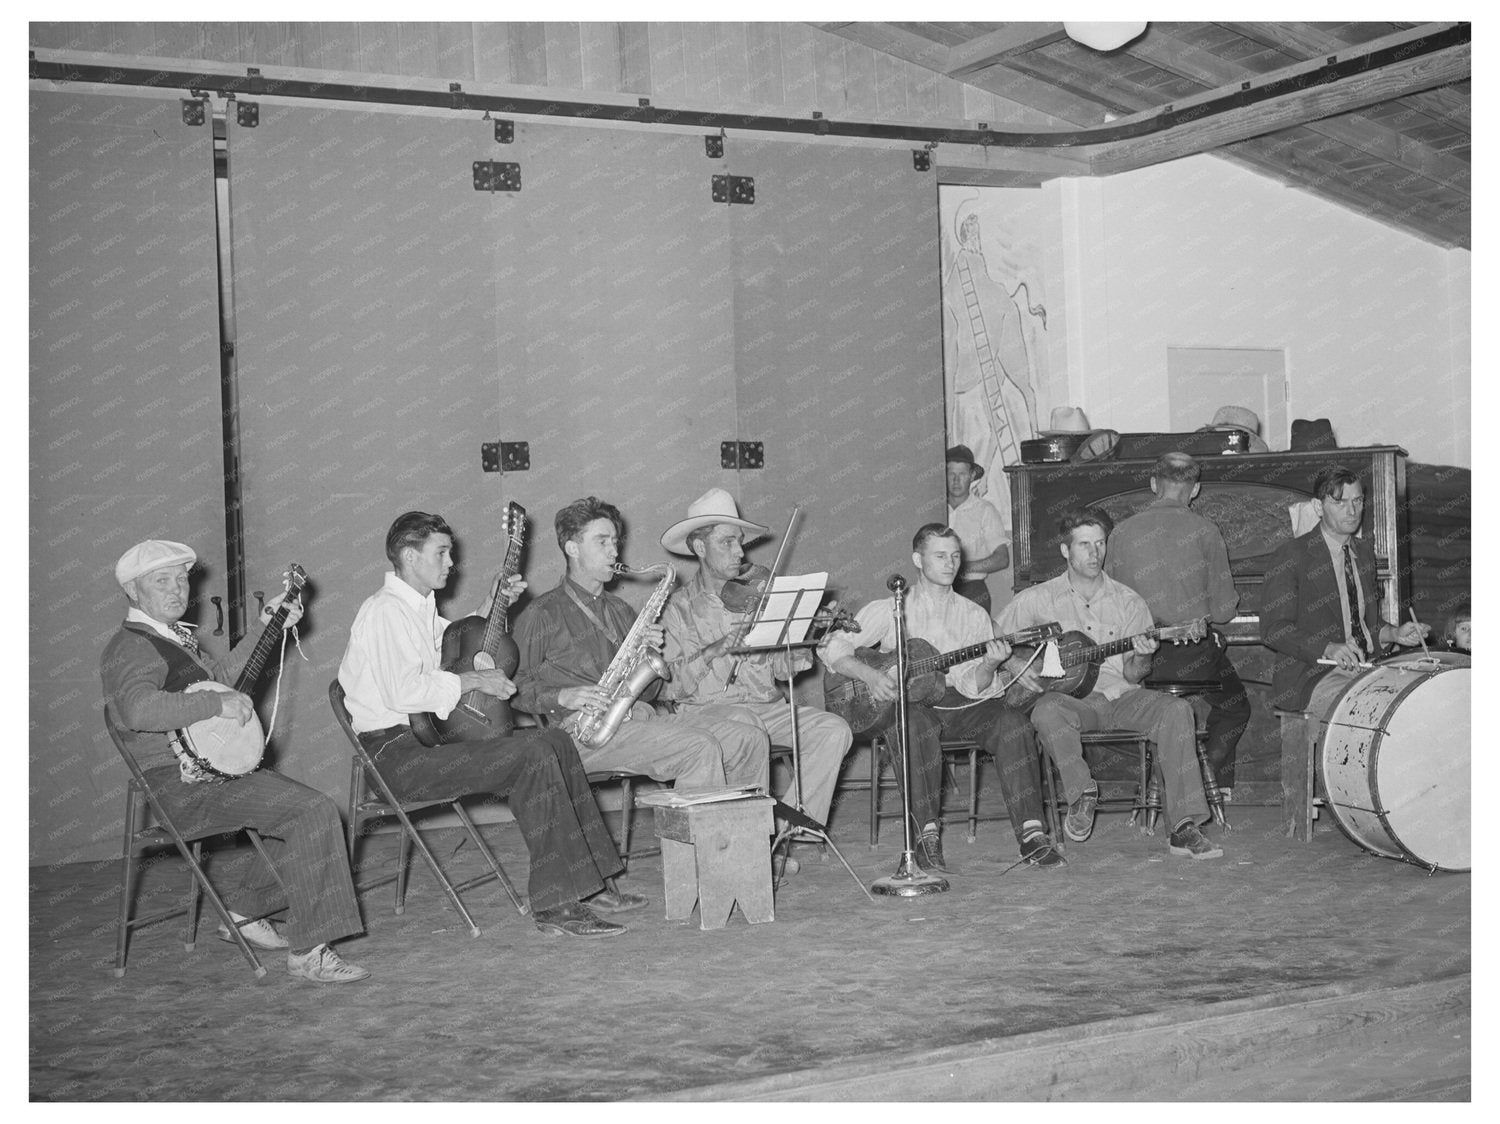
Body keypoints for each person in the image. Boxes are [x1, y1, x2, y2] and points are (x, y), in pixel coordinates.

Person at [338, 511, 646, 940]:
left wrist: (492, 602)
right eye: (441, 553)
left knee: (555, 740)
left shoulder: (417, 608)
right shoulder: (385, 612)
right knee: (534, 753)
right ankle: (556, 903)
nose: (451, 563)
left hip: (428, 742)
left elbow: (459, 642)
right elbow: (403, 693)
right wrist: (474, 681)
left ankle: (591, 883)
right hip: (397, 757)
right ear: (410, 556)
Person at [101, 539, 371, 983]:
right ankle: (309, 952)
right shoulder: (130, 646)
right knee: (313, 811)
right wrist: (214, 705)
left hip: (210, 777)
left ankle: (246, 913)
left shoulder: (174, 639)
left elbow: (224, 682)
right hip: (179, 786)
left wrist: (267, 627)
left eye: (181, 579)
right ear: (133, 591)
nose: (177, 589)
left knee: (303, 808)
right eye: (161, 581)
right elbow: (136, 709)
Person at [823, 524, 1063, 871]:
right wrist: (870, 675)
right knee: (914, 725)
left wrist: (990, 664)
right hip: (910, 705)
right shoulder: (892, 608)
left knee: (1014, 724)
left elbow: (972, 685)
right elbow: (833, 646)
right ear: (917, 560)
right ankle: (926, 836)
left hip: (960, 703)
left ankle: (1032, 833)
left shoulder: (973, 614)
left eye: (955, 556)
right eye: (940, 556)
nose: (950, 563)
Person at [996, 510, 1225, 860]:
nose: (1095, 553)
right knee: (1046, 709)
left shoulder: (1129, 601)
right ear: (1065, 550)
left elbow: (1134, 674)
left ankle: (1184, 826)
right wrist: (1012, 662)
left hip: (1121, 697)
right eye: (1084, 545)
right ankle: (1082, 794)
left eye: (1100, 544)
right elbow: (993, 635)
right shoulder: (1037, 599)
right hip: (1073, 703)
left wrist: (1144, 655)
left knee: (1178, 710)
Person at [512, 497, 769, 795]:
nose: (614, 551)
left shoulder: (621, 610)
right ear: (572, 548)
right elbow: (514, 688)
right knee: (699, 747)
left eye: (615, 542)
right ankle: (696, 827)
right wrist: (562, 696)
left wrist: (647, 656)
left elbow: (647, 693)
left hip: (636, 720)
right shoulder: (542, 612)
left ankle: (741, 824)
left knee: (748, 738)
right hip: (580, 736)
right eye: (602, 542)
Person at [659, 489, 853, 863]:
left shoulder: (759, 596)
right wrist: (713, 651)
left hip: (766, 708)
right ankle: (751, 847)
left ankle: (784, 830)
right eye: (727, 542)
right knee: (744, 724)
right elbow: (668, 687)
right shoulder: (677, 608)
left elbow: (783, 669)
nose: (740, 552)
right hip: (706, 713)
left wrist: (804, 635)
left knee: (834, 730)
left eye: (740, 542)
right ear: (699, 547)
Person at [1105, 452, 1251, 801]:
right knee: (1235, 707)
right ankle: (1202, 780)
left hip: (1135, 659)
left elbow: (1108, 604)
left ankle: (1162, 781)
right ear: (1195, 489)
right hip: (1190, 655)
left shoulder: (1120, 533)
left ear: (1153, 484)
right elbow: (1224, 612)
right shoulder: (1206, 531)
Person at [1261, 467, 1429, 717]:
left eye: (1357, 501)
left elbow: (1362, 624)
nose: (1352, 511)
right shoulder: (1291, 556)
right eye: (1339, 502)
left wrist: (1394, 633)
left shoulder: (1364, 552)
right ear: (1318, 507)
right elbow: (1273, 629)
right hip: (1312, 676)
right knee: (1376, 704)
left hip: (1365, 668)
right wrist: (1327, 647)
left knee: (1419, 694)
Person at [945, 444, 1010, 613]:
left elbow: (1002, 559)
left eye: (962, 474)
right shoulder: (934, 508)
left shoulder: (985, 510)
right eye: (951, 474)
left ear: (972, 475)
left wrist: (963, 567)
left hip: (972, 591)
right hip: (937, 589)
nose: (956, 480)